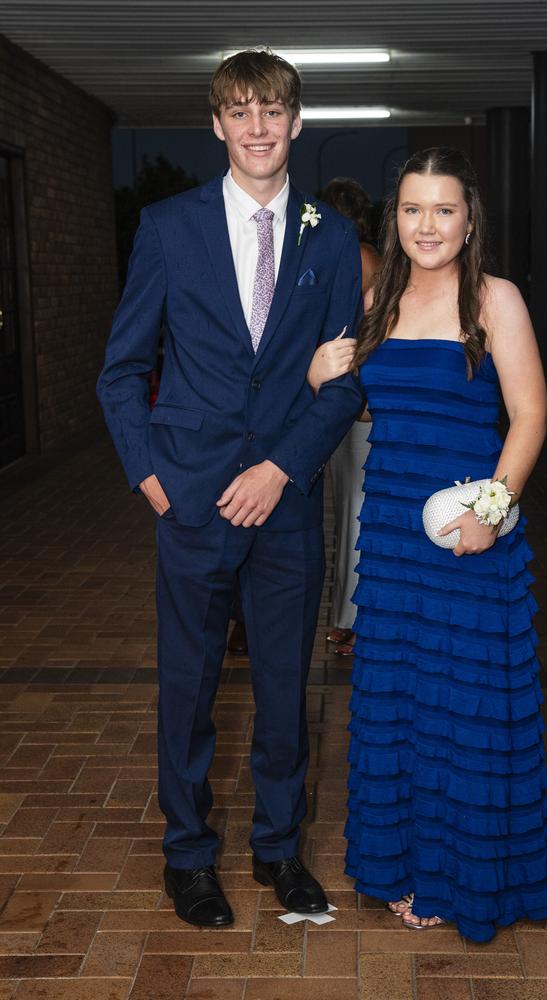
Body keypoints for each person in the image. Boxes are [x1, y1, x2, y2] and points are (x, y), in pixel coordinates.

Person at [97, 48, 363, 929]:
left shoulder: (331, 238)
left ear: (296, 123)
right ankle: (189, 858)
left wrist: (282, 464)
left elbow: (347, 382)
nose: (258, 127)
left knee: (288, 688)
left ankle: (280, 852)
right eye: (241, 112)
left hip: (284, 502)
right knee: (190, 686)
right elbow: (123, 368)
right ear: (219, 125)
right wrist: (151, 478)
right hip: (192, 499)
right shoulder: (169, 227)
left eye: (273, 111)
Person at [310, 147, 547, 942]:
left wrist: (492, 505)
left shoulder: (496, 299)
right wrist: (320, 377)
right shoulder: (377, 300)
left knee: (465, 711)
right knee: (404, 708)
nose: (427, 225)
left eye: (444, 209)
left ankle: (461, 878)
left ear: (469, 218)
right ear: (396, 218)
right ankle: (408, 864)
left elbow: (529, 417)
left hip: (470, 543)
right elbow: (359, 404)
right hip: (391, 546)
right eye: (412, 209)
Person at [312, 179, 380, 656]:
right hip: (344, 399)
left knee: (353, 512)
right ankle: (348, 615)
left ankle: (350, 619)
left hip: (356, 400)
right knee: (351, 510)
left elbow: (368, 333)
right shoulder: (358, 256)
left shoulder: (356, 257)